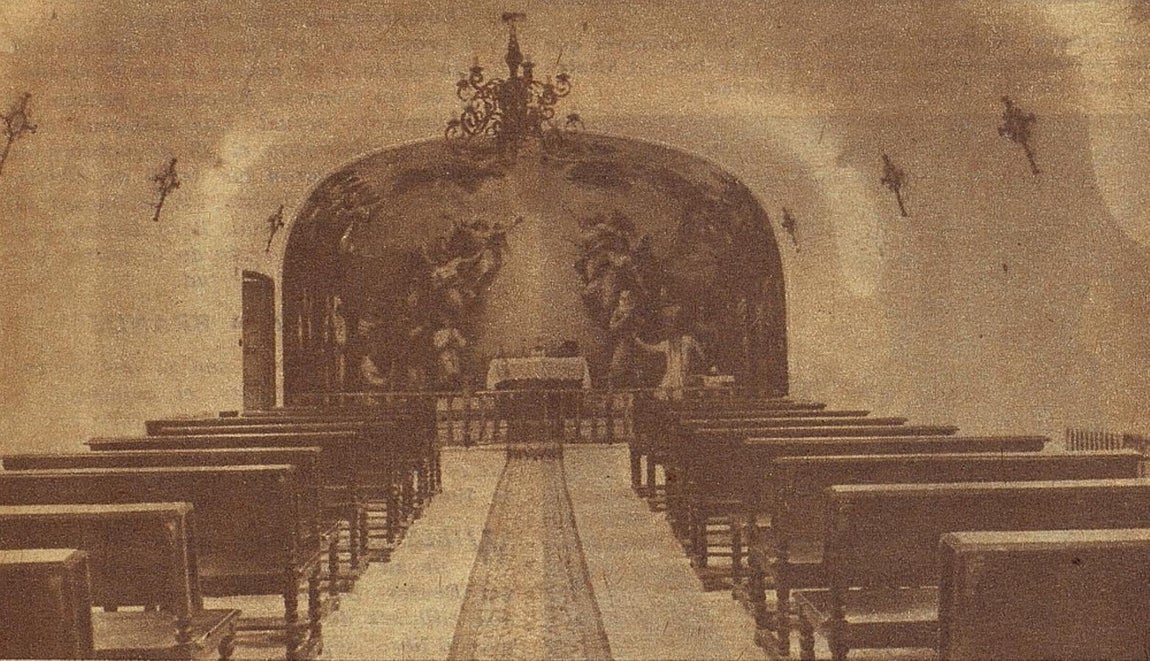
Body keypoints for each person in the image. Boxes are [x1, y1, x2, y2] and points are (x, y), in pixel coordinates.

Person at [634, 305, 705, 400]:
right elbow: (650, 349)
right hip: (670, 379)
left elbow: (701, 356)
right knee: (664, 397)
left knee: (680, 397)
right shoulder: (667, 344)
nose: (668, 331)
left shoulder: (688, 341)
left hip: (684, 378)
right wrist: (636, 339)